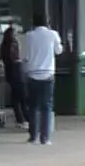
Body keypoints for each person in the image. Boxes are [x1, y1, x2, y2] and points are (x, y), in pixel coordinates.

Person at [16, 12, 63, 144]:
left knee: (33, 106)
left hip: (32, 73)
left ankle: (33, 136)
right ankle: (45, 138)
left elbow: (23, 55)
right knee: (47, 106)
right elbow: (59, 50)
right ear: (47, 21)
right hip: (48, 73)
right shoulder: (52, 34)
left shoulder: (29, 36)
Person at [0, 21, 25, 127]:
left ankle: (20, 119)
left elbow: (2, 59)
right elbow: (16, 58)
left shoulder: (3, 45)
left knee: (15, 97)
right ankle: (23, 119)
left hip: (9, 72)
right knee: (21, 96)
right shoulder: (14, 44)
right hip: (17, 71)